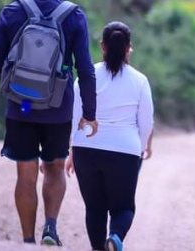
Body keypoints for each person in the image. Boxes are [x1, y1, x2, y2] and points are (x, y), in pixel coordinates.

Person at [0, 0, 99, 246]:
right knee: (54, 167)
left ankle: (27, 240)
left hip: (20, 107)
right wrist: (89, 112)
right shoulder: (73, 15)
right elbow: (85, 69)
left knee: (25, 173)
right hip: (58, 108)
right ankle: (50, 227)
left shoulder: (11, 12)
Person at [66, 22, 154, 251]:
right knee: (123, 208)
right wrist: (140, 149)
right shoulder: (140, 80)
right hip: (125, 151)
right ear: (128, 48)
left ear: (102, 46)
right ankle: (115, 237)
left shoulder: (86, 76)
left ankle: (98, 248)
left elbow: (74, 116)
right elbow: (146, 122)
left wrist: (71, 150)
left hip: (87, 148)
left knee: (94, 207)